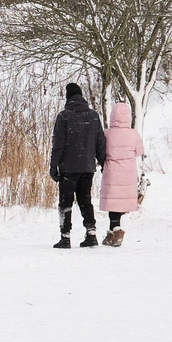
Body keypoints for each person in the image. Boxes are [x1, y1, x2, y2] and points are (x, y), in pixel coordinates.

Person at [49, 82, 107, 248]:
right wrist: (103, 163)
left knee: (65, 202)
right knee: (85, 200)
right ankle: (91, 233)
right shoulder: (93, 116)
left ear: (68, 97)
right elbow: (100, 143)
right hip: (87, 167)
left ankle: (65, 237)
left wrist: (53, 167)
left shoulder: (64, 117)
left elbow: (58, 145)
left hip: (68, 168)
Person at [100, 100, 143, 246]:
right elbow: (139, 152)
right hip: (128, 173)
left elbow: (101, 152)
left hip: (112, 172)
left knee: (113, 203)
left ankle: (116, 232)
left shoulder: (106, 134)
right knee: (119, 203)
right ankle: (113, 233)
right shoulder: (134, 135)